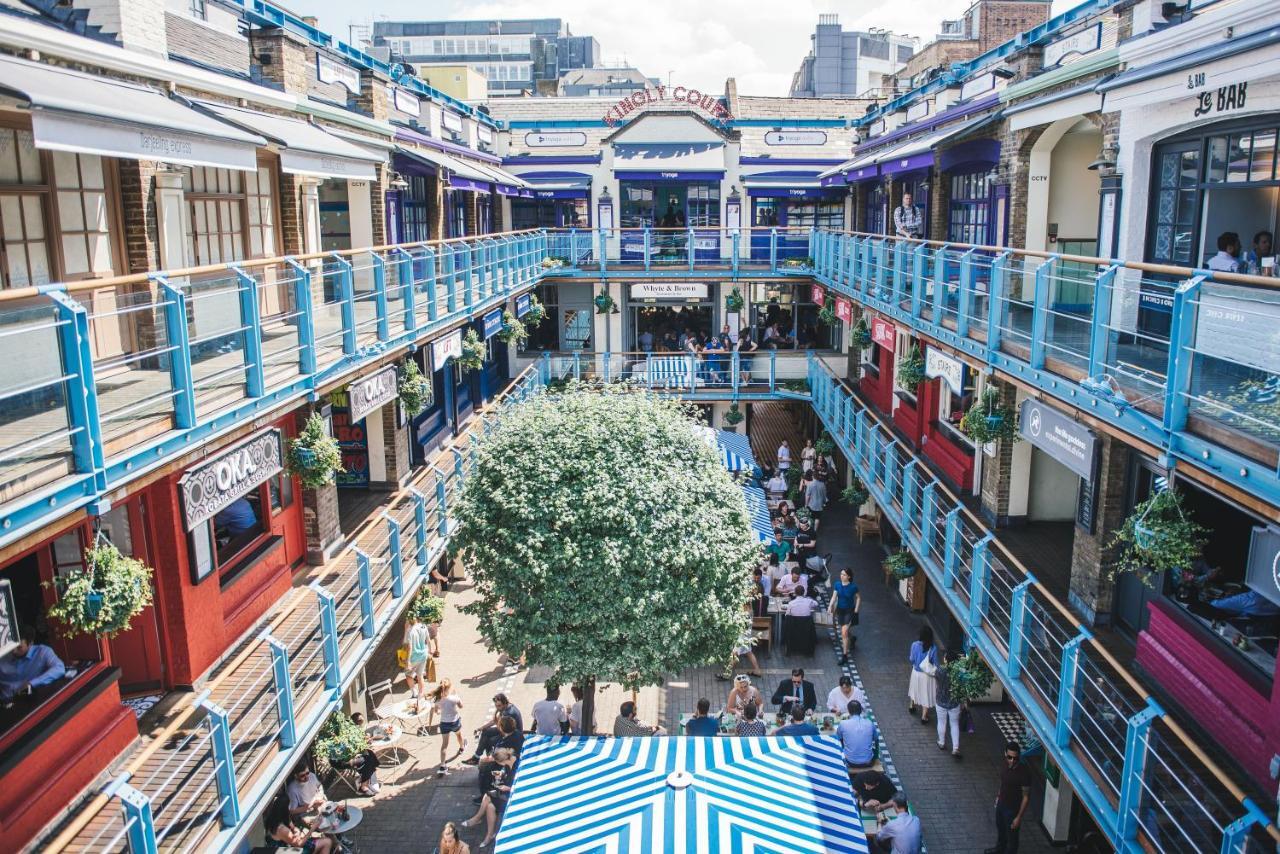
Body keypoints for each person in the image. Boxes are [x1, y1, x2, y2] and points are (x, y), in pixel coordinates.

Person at [461, 747, 517, 849]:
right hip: (506, 794)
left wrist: (508, 788)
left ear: (503, 760)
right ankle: (489, 835)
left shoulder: (517, 766)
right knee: (490, 806)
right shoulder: (508, 762)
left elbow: (519, 786)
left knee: (488, 796)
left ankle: (477, 818)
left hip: (513, 797)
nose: (499, 766)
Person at [987, 741, 1031, 854]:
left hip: (1012, 810)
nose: (1012, 760)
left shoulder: (1024, 772)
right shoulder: (1005, 765)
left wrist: (1019, 817)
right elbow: (1003, 783)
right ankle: (999, 849)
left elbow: (1026, 797)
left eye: (1015, 758)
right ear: (1005, 754)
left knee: (1012, 839)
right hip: (1001, 805)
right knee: (1001, 830)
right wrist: (998, 796)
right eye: (1009, 757)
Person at [0, 630, 65, 701]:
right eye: (12, 646)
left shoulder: (42, 652)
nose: (14, 651)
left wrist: (32, 683)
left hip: (34, 699)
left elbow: (59, 668)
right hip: (6, 702)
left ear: (30, 643)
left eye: (19, 647)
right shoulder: (3, 656)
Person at [463, 694, 523, 765]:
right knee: (485, 731)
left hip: (511, 735)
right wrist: (481, 728)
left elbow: (503, 729)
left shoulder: (508, 713)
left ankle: (487, 757)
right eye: (496, 706)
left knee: (489, 741)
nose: (497, 708)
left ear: (505, 703)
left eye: (499, 706)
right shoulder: (507, 707)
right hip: (505, 730)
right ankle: (477, 757)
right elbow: (496, 720)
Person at [264, 794, 334, 853]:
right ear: (284, 808)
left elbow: (292, 826)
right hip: (286, 851)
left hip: (285, 846)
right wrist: (313, 828)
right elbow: (299, 845)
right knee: (327, 842)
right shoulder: (281, 828)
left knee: (319, 841)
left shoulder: (274, 817)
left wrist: (296, 830)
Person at [476, 716, 523, 803]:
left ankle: (484, 794)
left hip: (505, 763)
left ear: (501, 728)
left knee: (484, 771)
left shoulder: (504, 743)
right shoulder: (518, 734)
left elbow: (494, 758)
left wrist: (481, 761)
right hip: (515, 760)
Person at [428, 677, 465, 776]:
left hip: (444, 724)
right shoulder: (454, 698)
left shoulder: (438, 699)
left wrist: (440, 711)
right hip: (454, 722)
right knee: (459, 735)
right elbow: (461, 706)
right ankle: (461, 748)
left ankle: (442, 765)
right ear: (449, 688)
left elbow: (437, 711)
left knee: (444, 745)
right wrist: (457, 695)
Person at [907, 625, 938, 724]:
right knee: (926, 694)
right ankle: (924, 717)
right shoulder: (933, 648)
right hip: (927, 675)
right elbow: (935, 663)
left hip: (916, 672)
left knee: (914, 689)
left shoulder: (914, 645)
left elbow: (911, 659)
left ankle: (912, 706)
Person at [935, 649, 963, 757]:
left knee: (941, 722)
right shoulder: (959, 672)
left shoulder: (940, 671)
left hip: (941, 701)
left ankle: (941, 742)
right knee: (954, 724)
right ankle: (955, 748)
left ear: (946, 660)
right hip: (954, 702)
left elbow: (937, 681)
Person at [829, 568, 861, 663]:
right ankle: (852, 639)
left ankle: (844, 656)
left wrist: (856, 610)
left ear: (849, 576)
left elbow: (858, 598)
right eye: (841, 574)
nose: (841, 576)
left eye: (844, 575)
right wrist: (830, 605)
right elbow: (834, 597)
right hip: (840, 610)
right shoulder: (837, 585)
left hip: (849, 611)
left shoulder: (853, 587)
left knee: (843, 632)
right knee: (844, 631)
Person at [838, 701, 878, 770]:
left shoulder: (843, 724)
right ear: (861, 711)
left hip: (850, 762)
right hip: (868, 762)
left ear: (849, 711)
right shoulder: (869, 723)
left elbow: (839, 738)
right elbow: (876, 739)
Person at [782, 585, 818, 656]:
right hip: (806, 627)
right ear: (804, 592)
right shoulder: (809, 601)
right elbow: (816, 604)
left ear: (795, 593)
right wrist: (809, 599)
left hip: (794, 627)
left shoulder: (791, 603)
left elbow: (787, 615)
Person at [404, 614, 431, 703]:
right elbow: (428, 640)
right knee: (420, 676)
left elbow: (409, 647)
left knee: (408, 675)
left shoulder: (410, 631)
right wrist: (430, 652)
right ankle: (421, 694)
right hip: (423, 654)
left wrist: (408, 661)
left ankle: (414, 693)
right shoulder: (423, 626)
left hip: (414, 657)